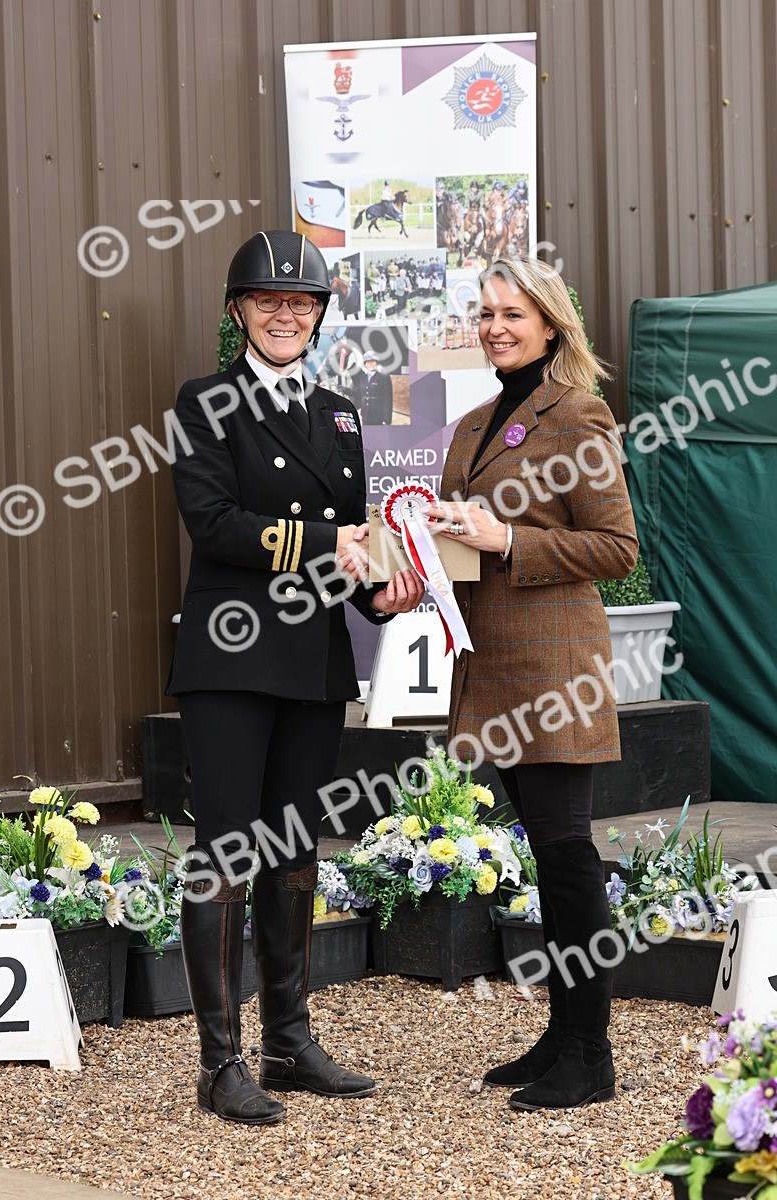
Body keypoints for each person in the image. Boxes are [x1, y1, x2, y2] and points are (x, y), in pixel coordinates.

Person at [166, 229, 424, 1126]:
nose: (287, 313)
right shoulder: (203, 402)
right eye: (269, 300)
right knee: (228, 852)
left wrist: (388, 593)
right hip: (232, 657)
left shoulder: (341, 414)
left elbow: (356, 537)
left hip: (312, 659)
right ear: (238, 312)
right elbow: (217, 524)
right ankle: (219, 1062)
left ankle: (290, 1040)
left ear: (319, 316)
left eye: (302, 301)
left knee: (294, 851)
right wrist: (333, 545)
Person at [428, 255, 638, 1112]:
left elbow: (617, 549)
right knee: (549, 861)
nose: (495, 327)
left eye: (511, 314)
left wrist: (508, 539)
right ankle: (562, 1033)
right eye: (484, 314)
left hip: (554, 674)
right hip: (490, 671)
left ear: (551, 324)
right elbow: (447, 542)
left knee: (567, 857)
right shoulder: (475, 422)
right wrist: (412, 562)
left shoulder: (579, 416)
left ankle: (592, 1054)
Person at [355, 353, 394, 425]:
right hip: (365, 417)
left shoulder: (383, 377)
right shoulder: (362, 378)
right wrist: (344, 390)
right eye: (368, 362)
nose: (371, 364)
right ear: (365, 364)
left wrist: (386, 420)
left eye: (373, 362)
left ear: (376, 363)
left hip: (378, 417)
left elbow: (388, 399)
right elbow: (358, 394)